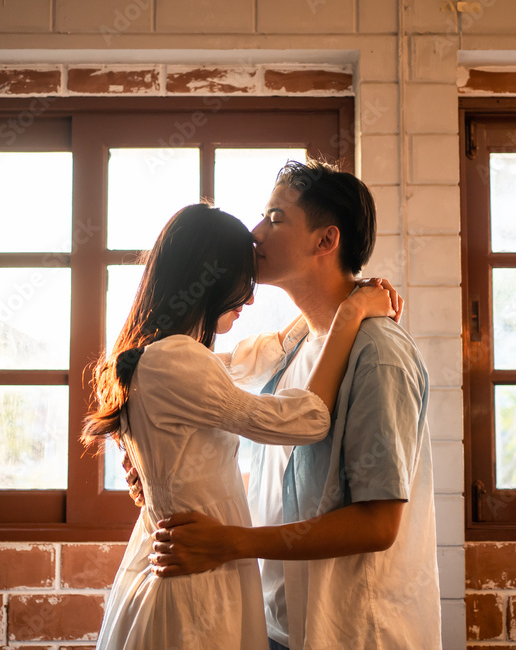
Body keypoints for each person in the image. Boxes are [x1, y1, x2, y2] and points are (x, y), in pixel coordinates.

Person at [142, 161, 443, 649]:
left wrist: (231, 544)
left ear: (326, 241)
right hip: (280, 627)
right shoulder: (298, 350)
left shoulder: (378, 355)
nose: (255, 233)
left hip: (350, 633)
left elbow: (379, 524)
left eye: (275, 217)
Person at [83, 202, 397, 650]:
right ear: (207, 281)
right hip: (196, 580)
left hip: (187, 567)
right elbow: (306, 420)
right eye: (241, 283)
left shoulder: (161, 356)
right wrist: (348, 316)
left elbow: (260, 355)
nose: (249, 299)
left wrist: (333, 300)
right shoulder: (178, 361)